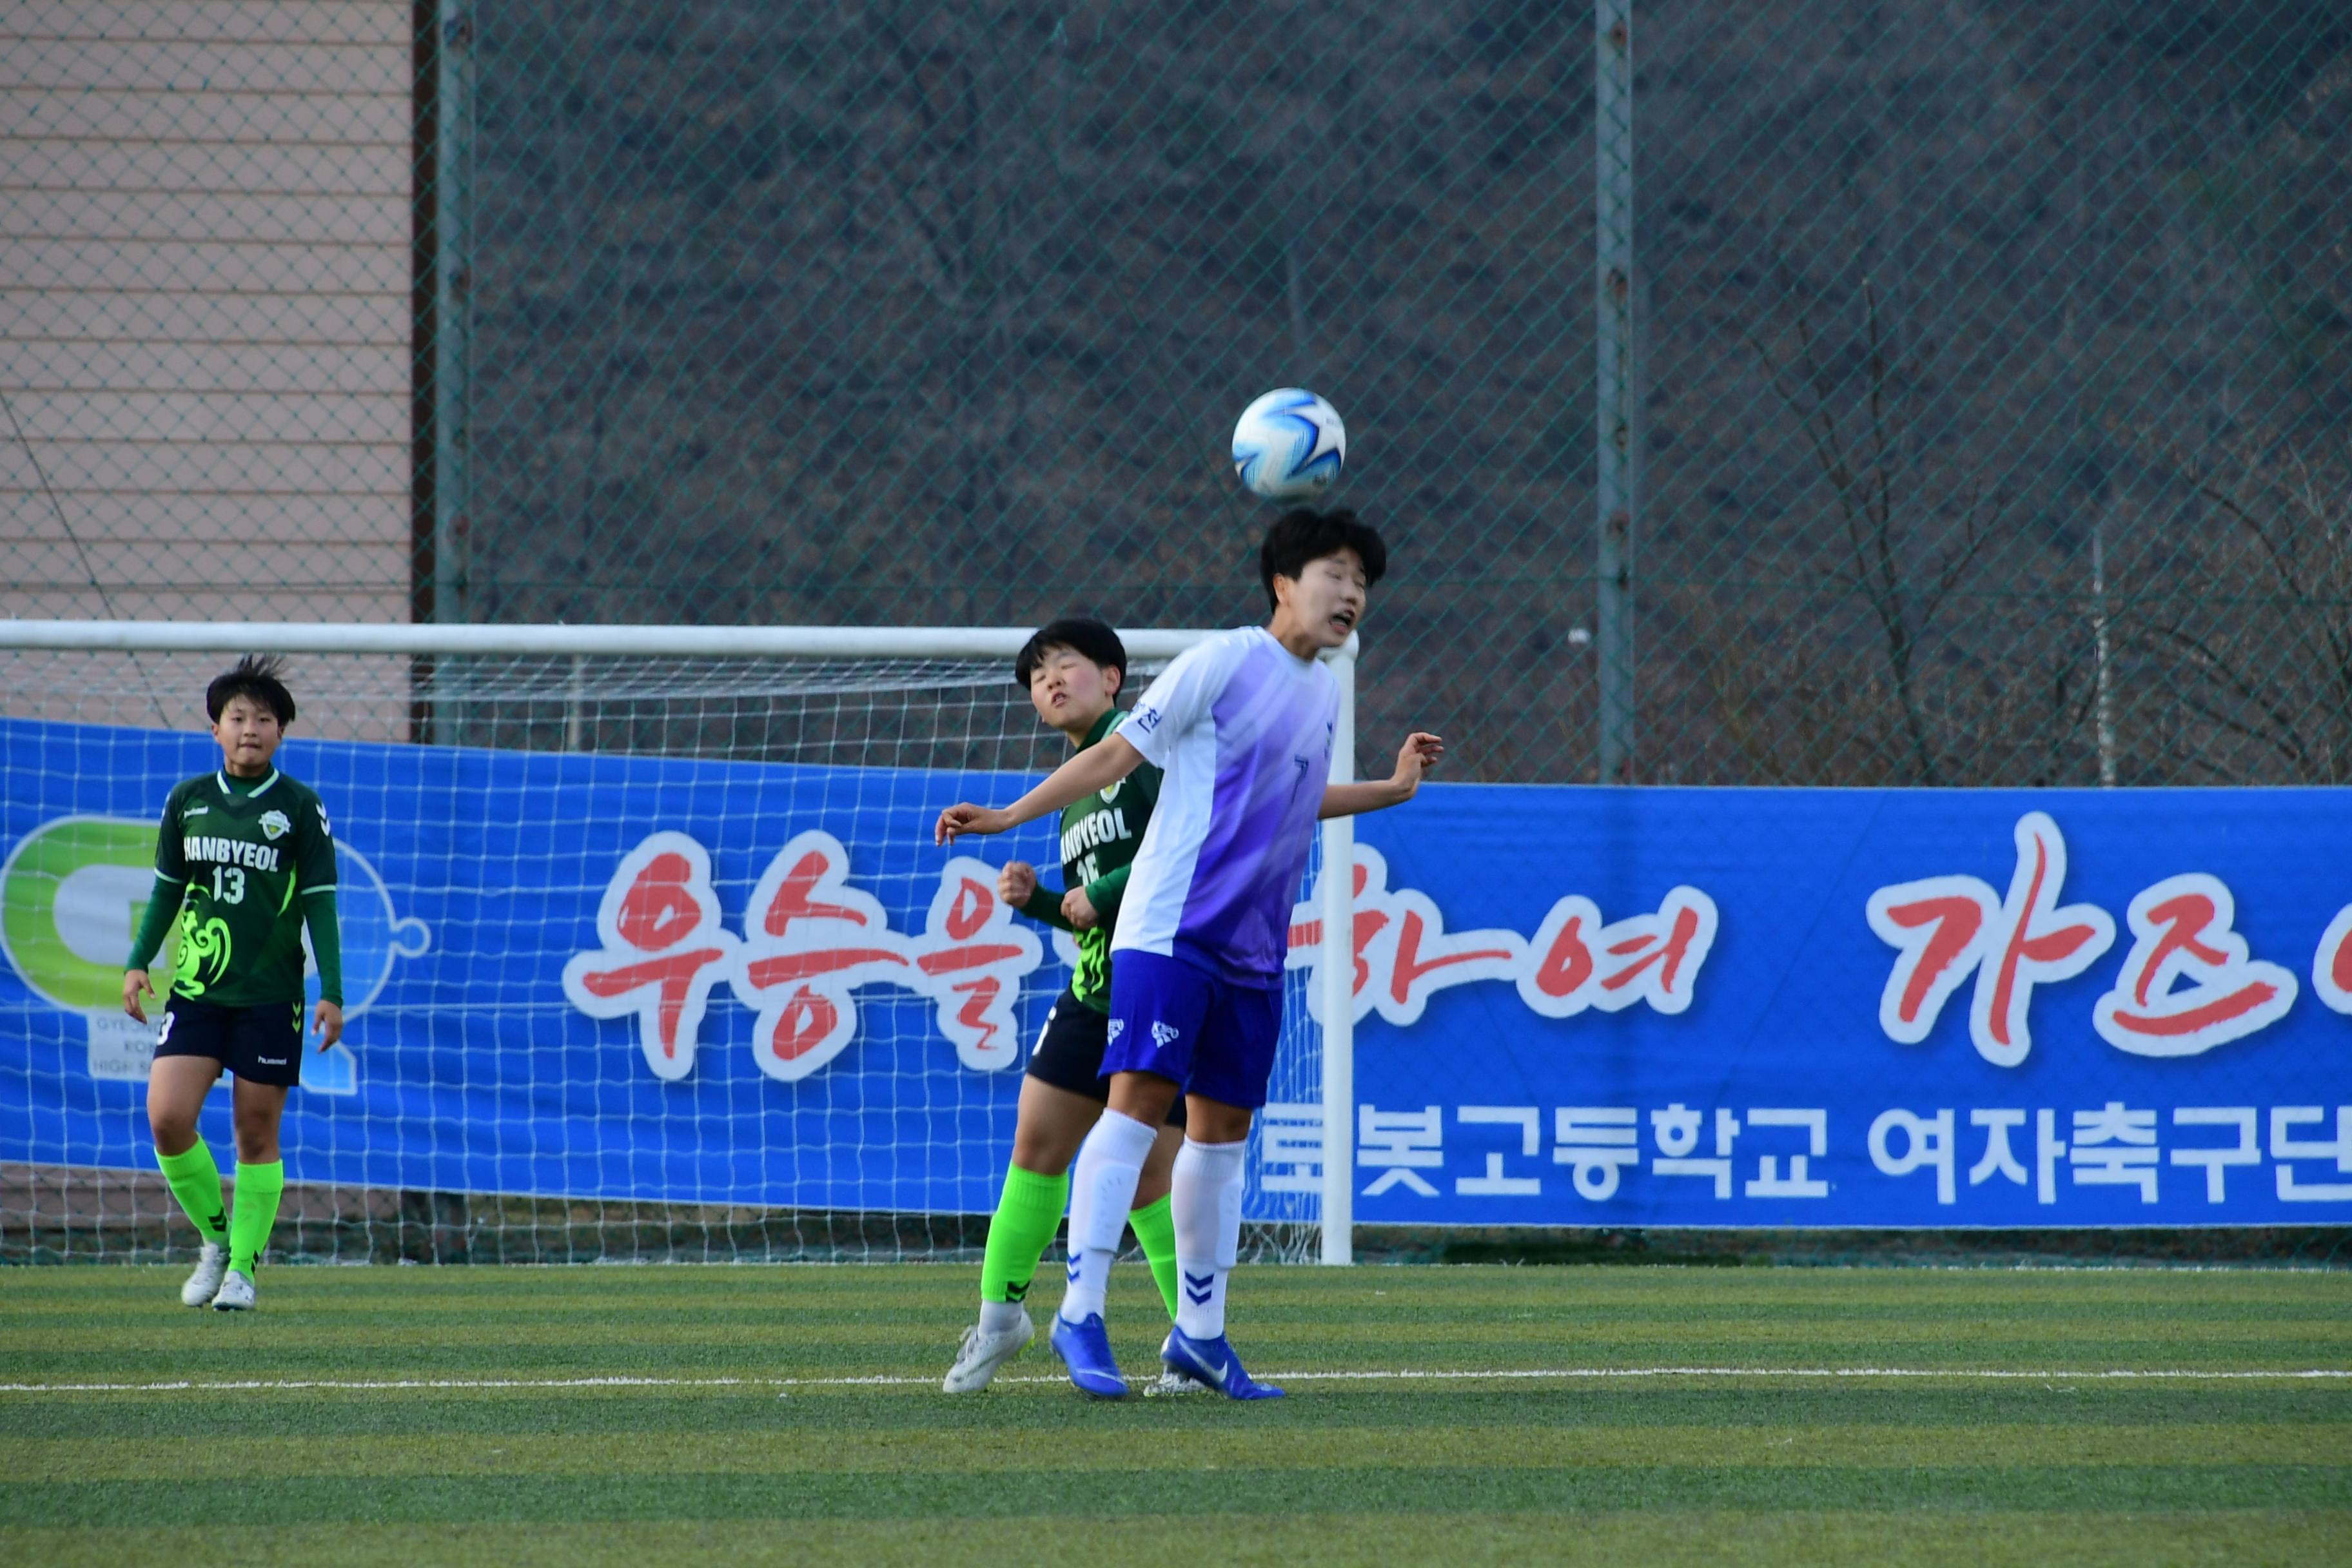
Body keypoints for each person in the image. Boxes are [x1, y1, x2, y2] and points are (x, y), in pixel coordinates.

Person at [936, 509, 1442, 1398]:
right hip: (1172, 931)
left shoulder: (1323, 691)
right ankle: (1078, 1312)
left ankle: (1200, 1338)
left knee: (1220, 1143)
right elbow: (1115, 756)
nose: (1352, 592)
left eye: (1363, 579)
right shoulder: (1222, 661)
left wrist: (1392, 791)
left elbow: (1291, 803)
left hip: (1254, 946)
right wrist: (1011, 816)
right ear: (1283, 584)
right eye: (1334, 572)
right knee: (1129, 1116)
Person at [943, 618, 1196, 1394]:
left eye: (1066, 665)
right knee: (1036, 1150)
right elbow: (1094, 912)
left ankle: (1194, 1340)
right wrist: (1041, 902)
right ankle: (999, 1323)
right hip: (1095, 992)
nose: (1049, 682)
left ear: (1113, 676)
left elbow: (1195, 849)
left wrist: (1099, 893)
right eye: (1036, 678)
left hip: (1163, 990)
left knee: (1157, 1181)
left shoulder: (1150, 752)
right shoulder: (1075, 795)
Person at [122, 654, 344, 1311]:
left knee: (255, 1133)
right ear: (215, 728)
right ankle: (218, 1239)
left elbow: (321, 901)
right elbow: (166, 891)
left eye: (265, 718)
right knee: (167, 1118)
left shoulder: (300, 807)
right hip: (197, 988)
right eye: (238, 716)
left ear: (282, 732)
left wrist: (332, 989)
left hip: (272, 994)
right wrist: (139, 959)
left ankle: (244, 1269)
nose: (251, 728)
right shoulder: (187, 800)